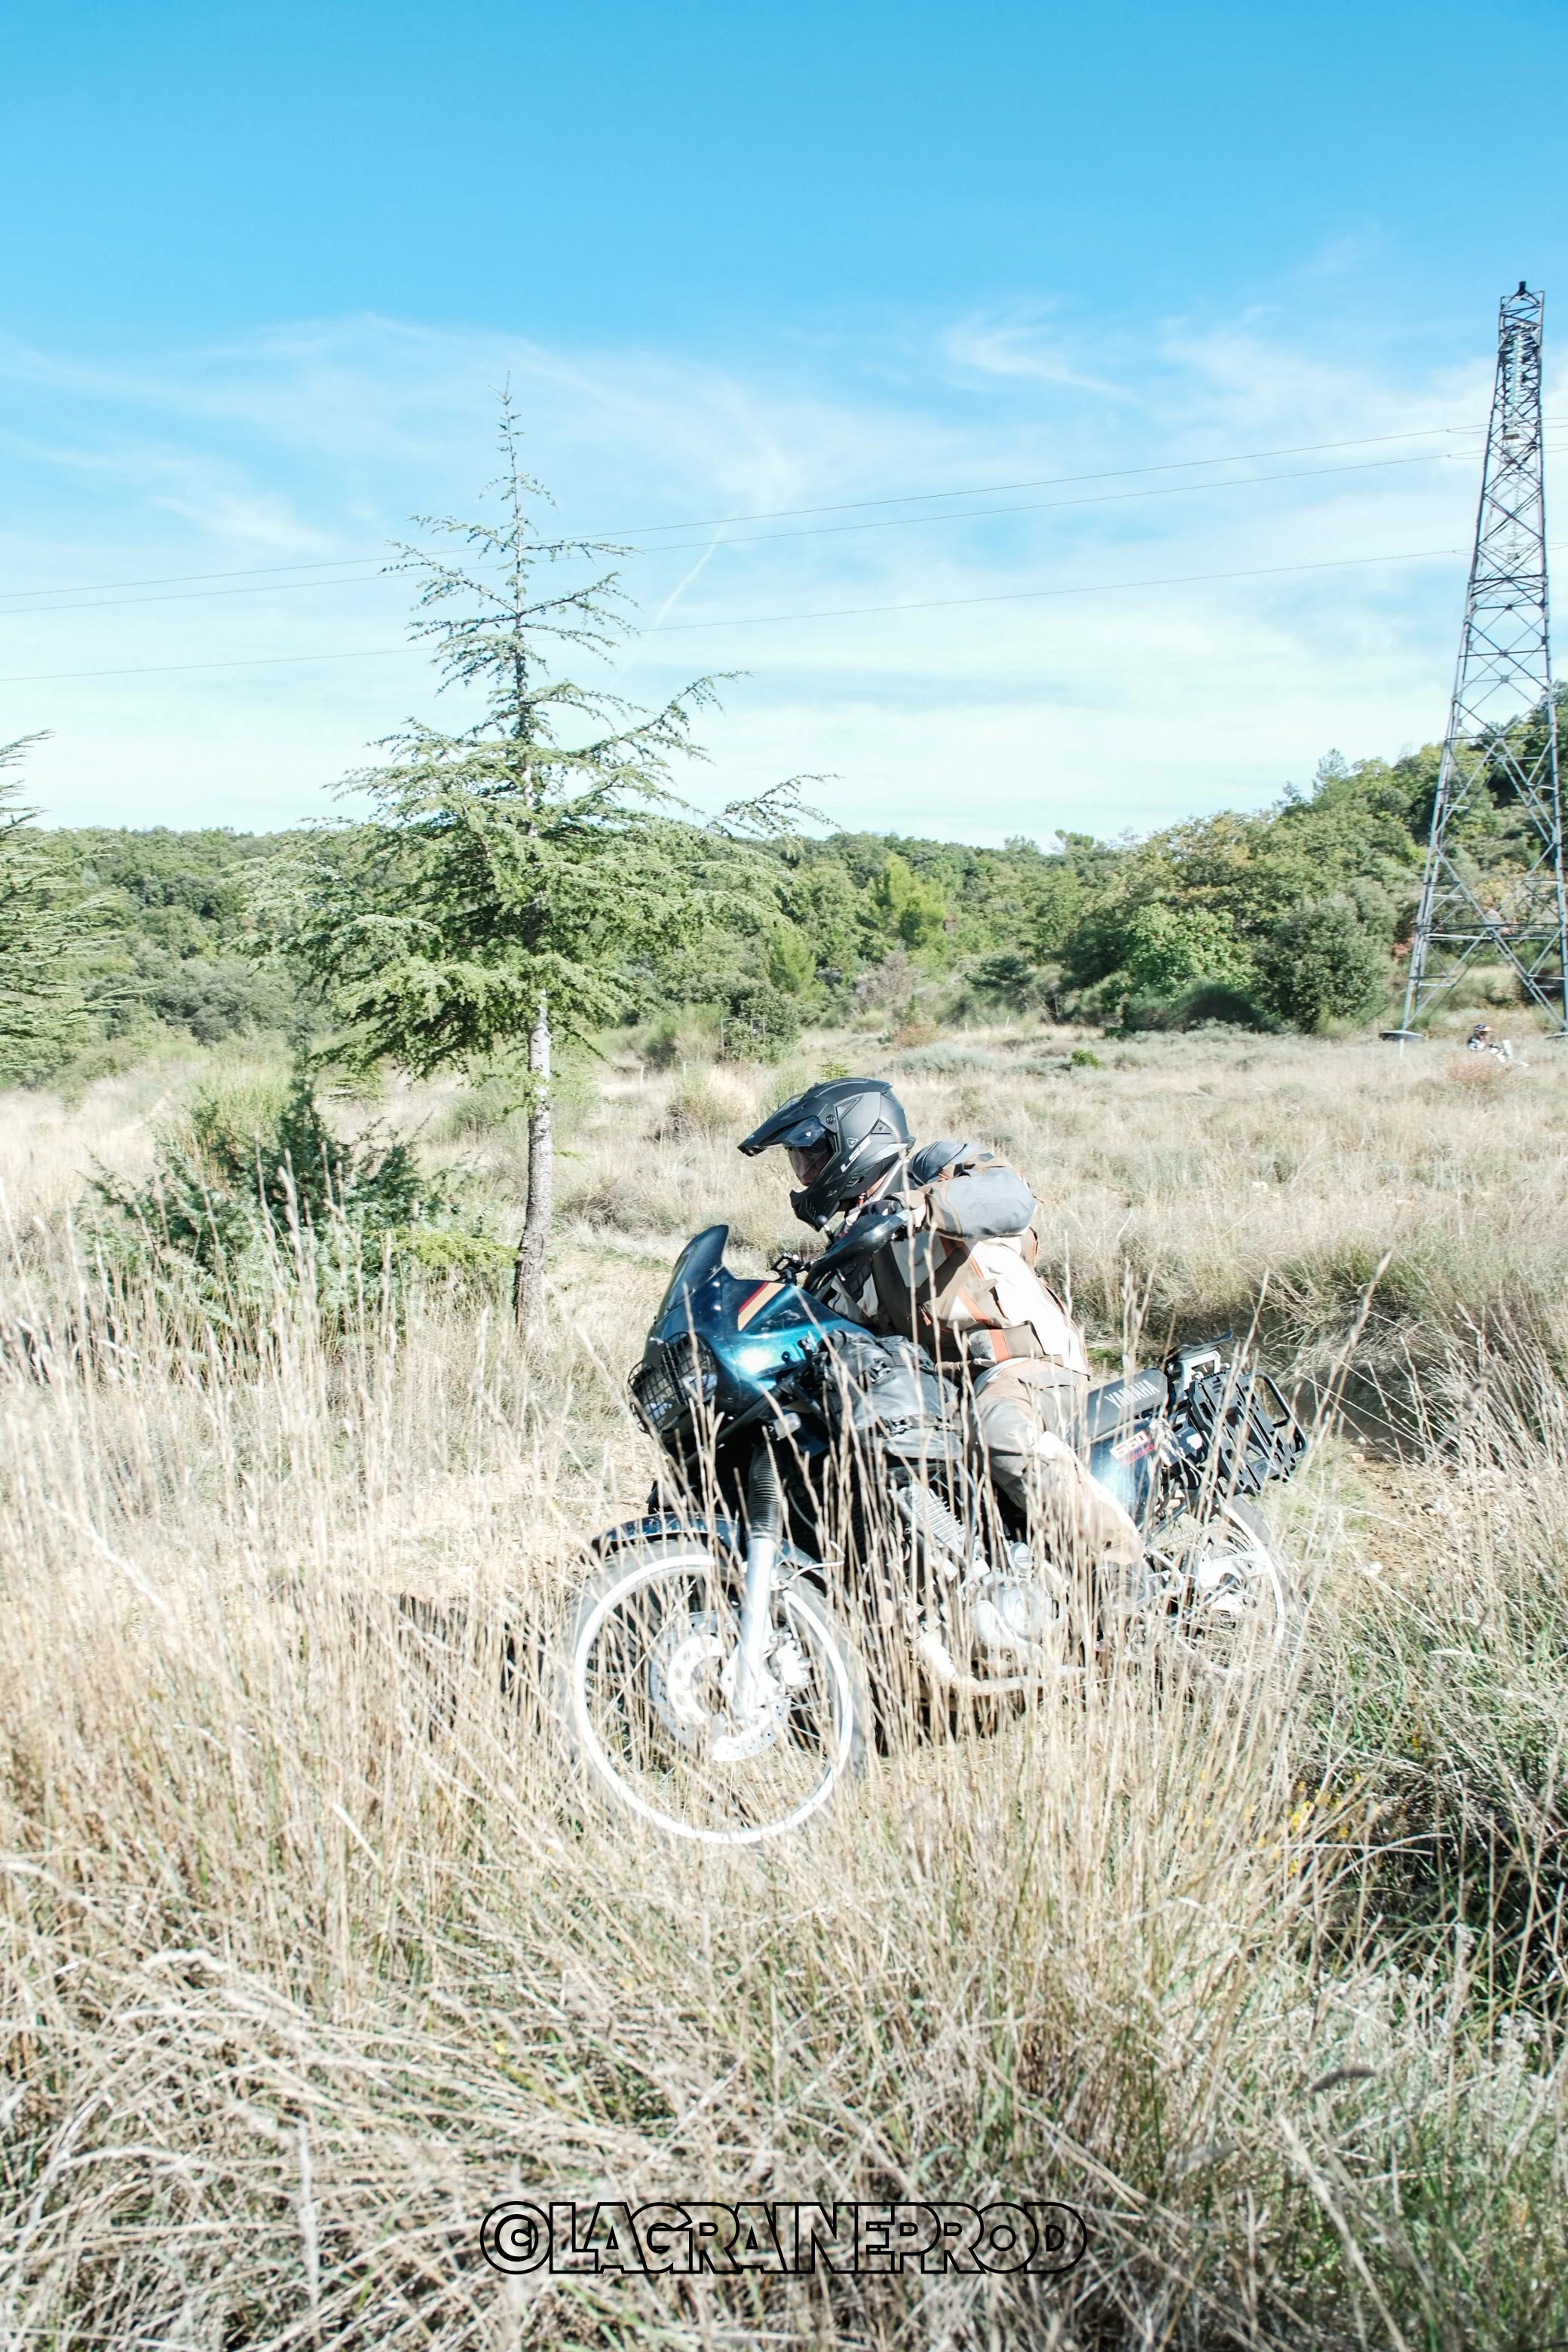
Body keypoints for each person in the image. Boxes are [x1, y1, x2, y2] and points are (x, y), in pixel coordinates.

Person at [739, 1077, 1143, 1570]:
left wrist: (921, 1207)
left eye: (814, 1156)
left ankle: (1122, 1573)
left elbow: (1013, 1198)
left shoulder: (930, 1171)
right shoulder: (848, 1249)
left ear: (856, 1138)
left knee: (1000, 1432)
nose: (806, 1174)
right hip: (938, 1398)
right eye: (799, 1162)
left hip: (1022, 1364)